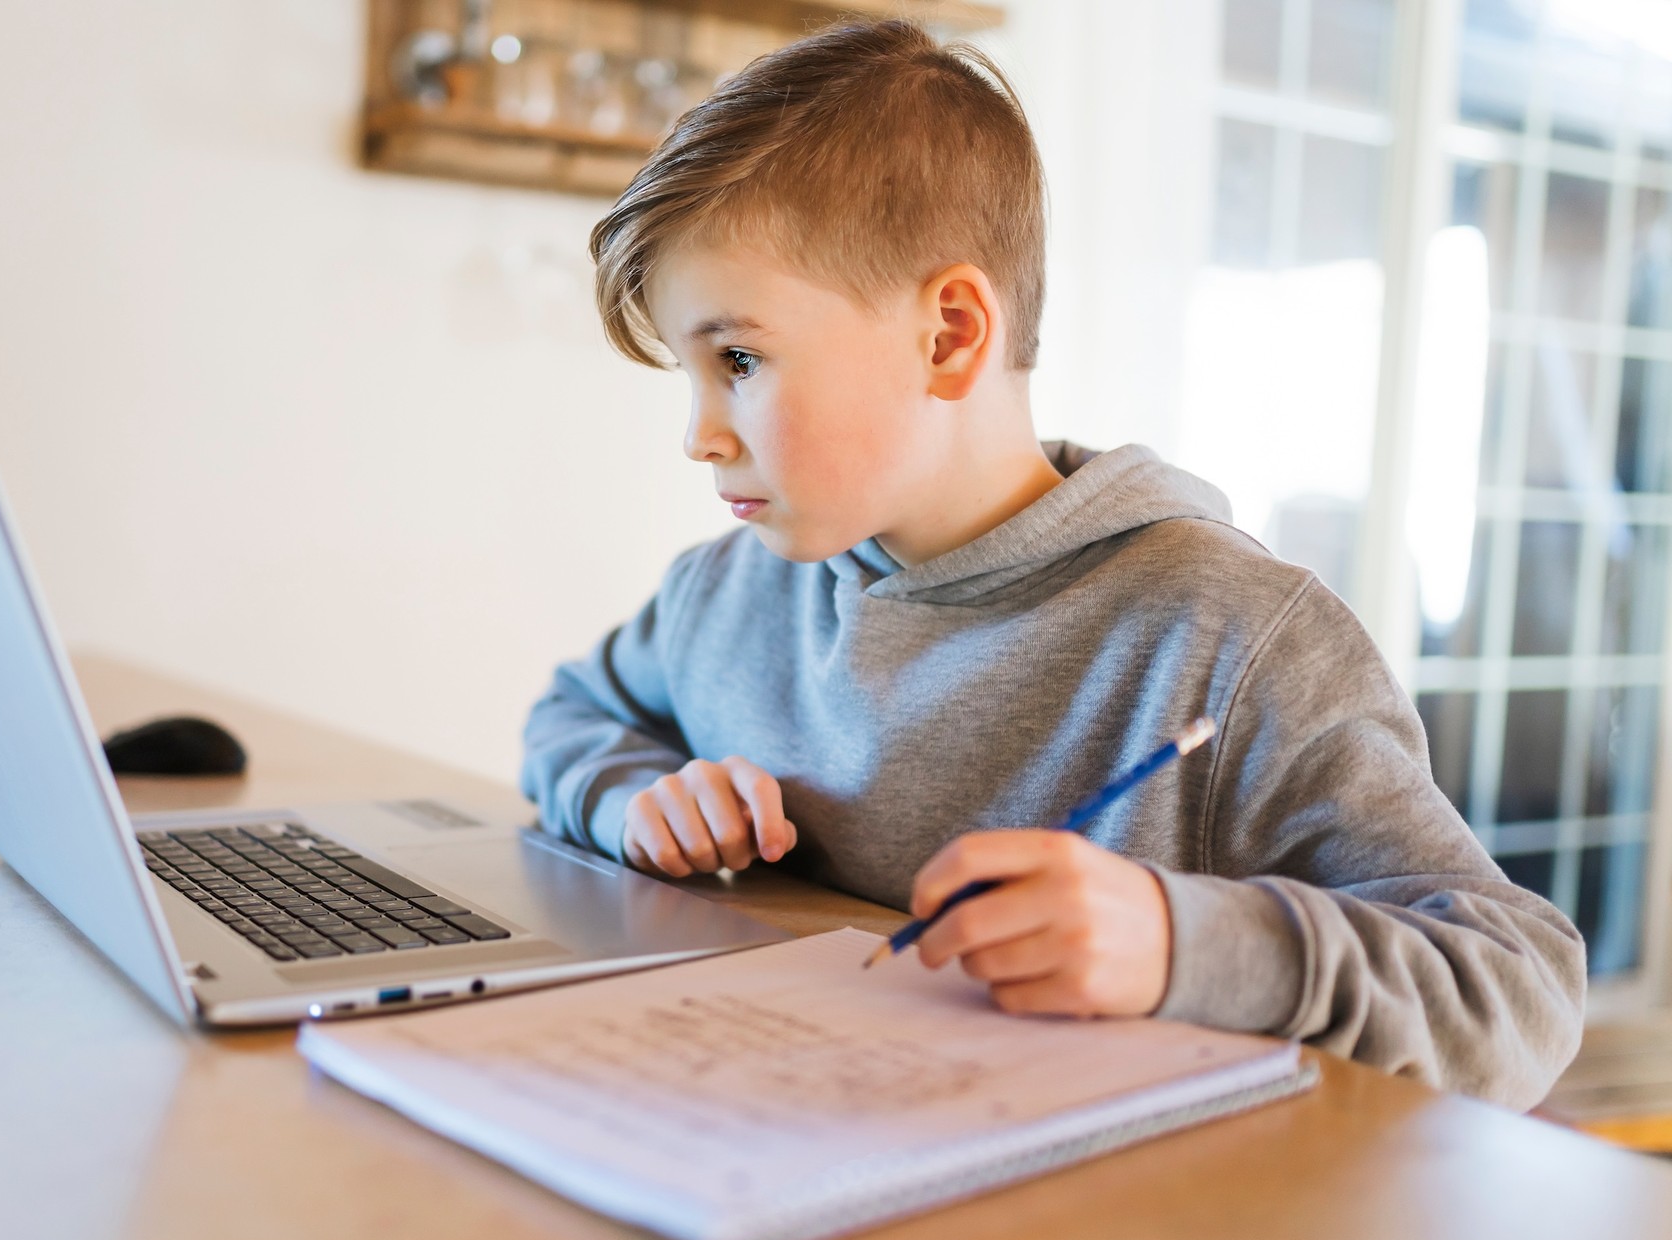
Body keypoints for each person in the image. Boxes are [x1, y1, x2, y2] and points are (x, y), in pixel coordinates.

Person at [520, 17, 1585, 1109]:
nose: (699, 433)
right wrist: (632, 797)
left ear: (949, 335)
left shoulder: (1225, 635)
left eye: (739, 359)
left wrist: (1182, 944)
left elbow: (1519, 986)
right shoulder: (727, 591)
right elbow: (570, 713)